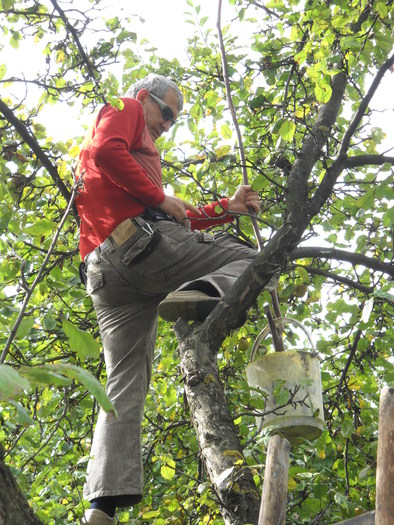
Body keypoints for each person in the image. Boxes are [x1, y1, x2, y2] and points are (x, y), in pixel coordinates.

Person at [76, 74, 272, 525]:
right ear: (144, 98)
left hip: (110, 275)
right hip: (137, 247)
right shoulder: (124, 108)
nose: (168, 123)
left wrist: (227, 208)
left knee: (125, 383)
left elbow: (175, 219)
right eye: (166, 112)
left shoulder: (140, 161)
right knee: (261, 263)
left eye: (174, 119)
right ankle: (200, 293)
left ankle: (101, 507)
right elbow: (106, 153)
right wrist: (158, 196)